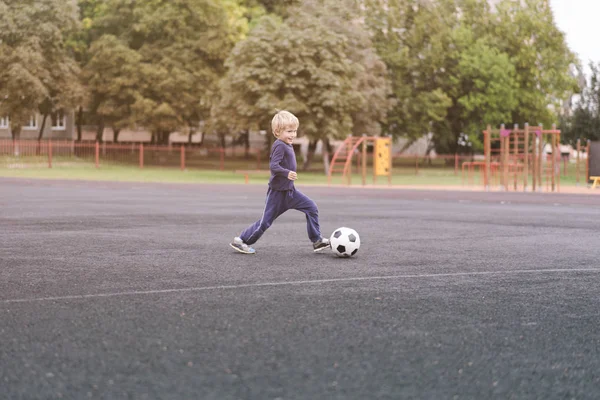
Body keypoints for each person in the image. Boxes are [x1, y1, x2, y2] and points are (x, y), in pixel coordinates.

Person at [230, 110, 330, 254]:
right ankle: (241, 241)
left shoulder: (287, 144)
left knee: (311, 207)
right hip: (277, 194)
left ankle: (317, 240)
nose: (293, 135)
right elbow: (273, 166)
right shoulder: (279, 145)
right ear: (277, 132)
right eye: (289, 131)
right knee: (265, 222)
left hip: (290, 192)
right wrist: (287, 173)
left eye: (295, 131)